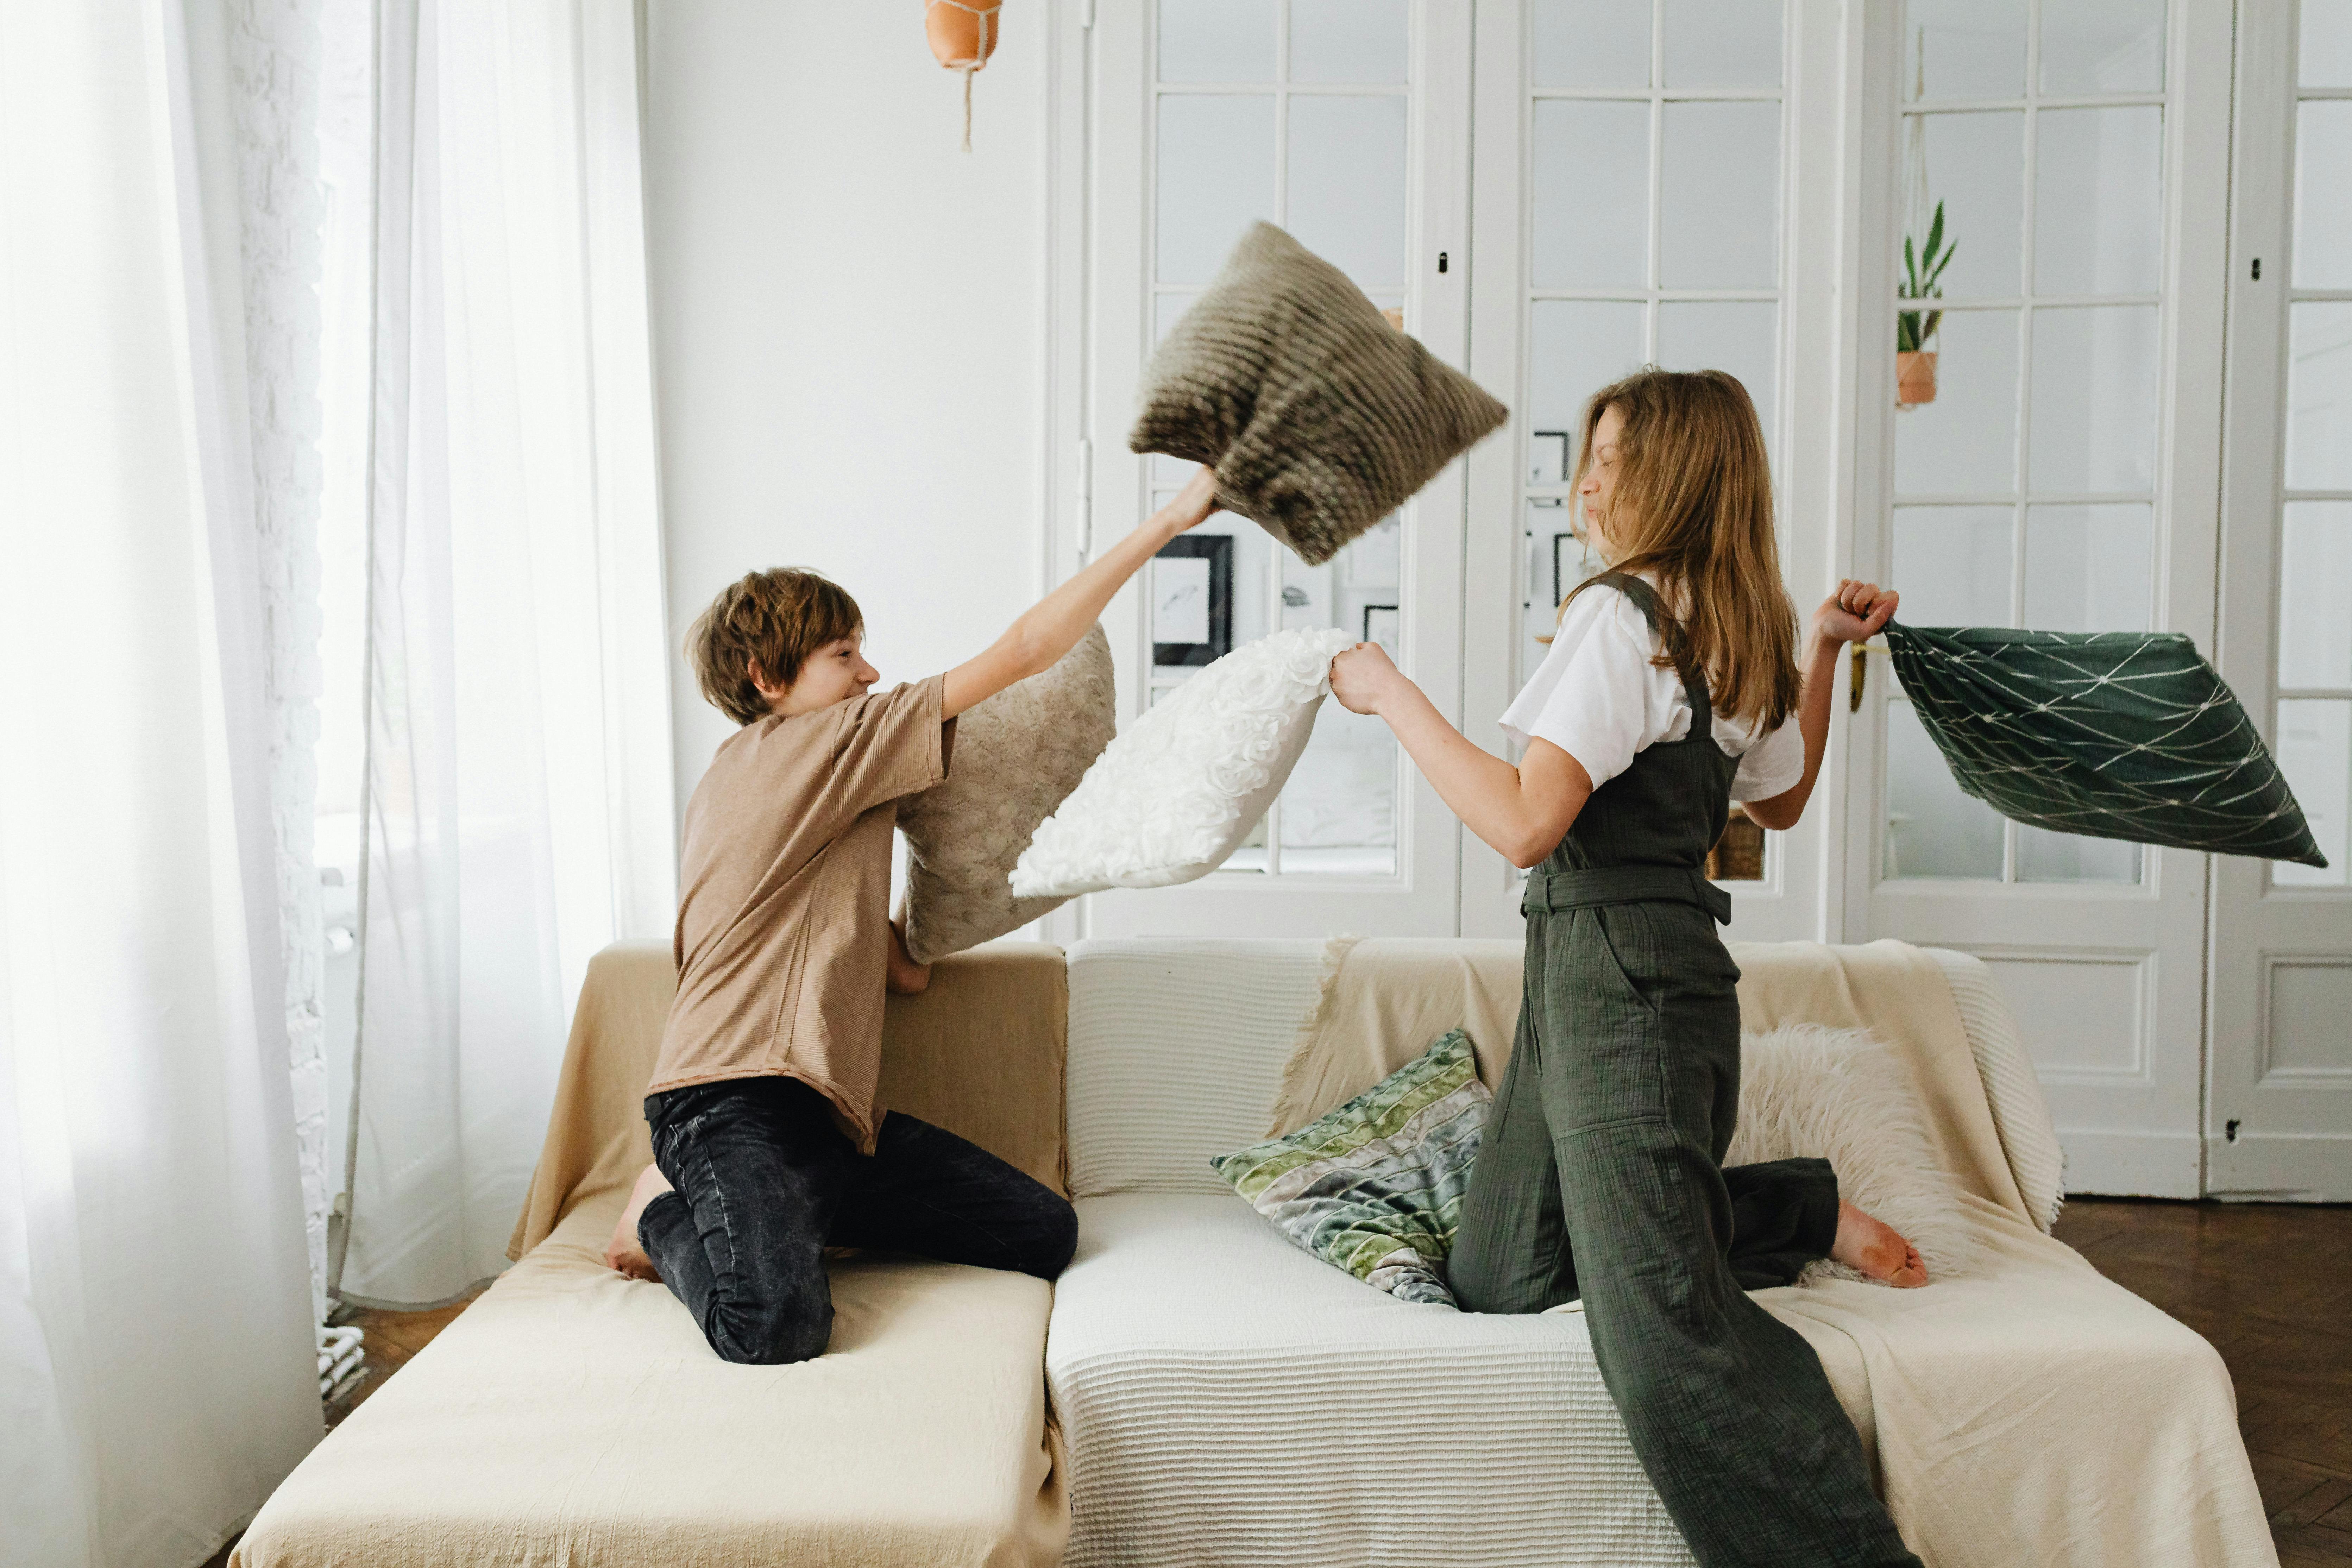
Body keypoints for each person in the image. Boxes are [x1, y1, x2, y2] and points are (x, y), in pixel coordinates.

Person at [1328, 368, 1926, 1567]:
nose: (1585, 482)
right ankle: (1797, 1205)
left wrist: (1391, 693)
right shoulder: (1730, 617)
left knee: (1668, 1346)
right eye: (1587, 457)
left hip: (1631, 993)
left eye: (1611, 459)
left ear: (1679, 473)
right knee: (1499, 1275)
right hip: (1599, 972)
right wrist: (1817, 645)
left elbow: (1523, 823)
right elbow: (1787, 796)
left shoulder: (1624, 615)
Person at [603, 467, 1222, 1364]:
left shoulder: (772, 779)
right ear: (767, 675)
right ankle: (660, 1207)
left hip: (825, 1119)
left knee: (1043, 1233)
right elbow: (1021, 652)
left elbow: (894, 963)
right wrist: (1167, 520)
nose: (871, 672)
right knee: (772, 1328)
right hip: (726, 1101)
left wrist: (916, 915)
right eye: (844, 655)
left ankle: (786, 1208)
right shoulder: (818, 743)